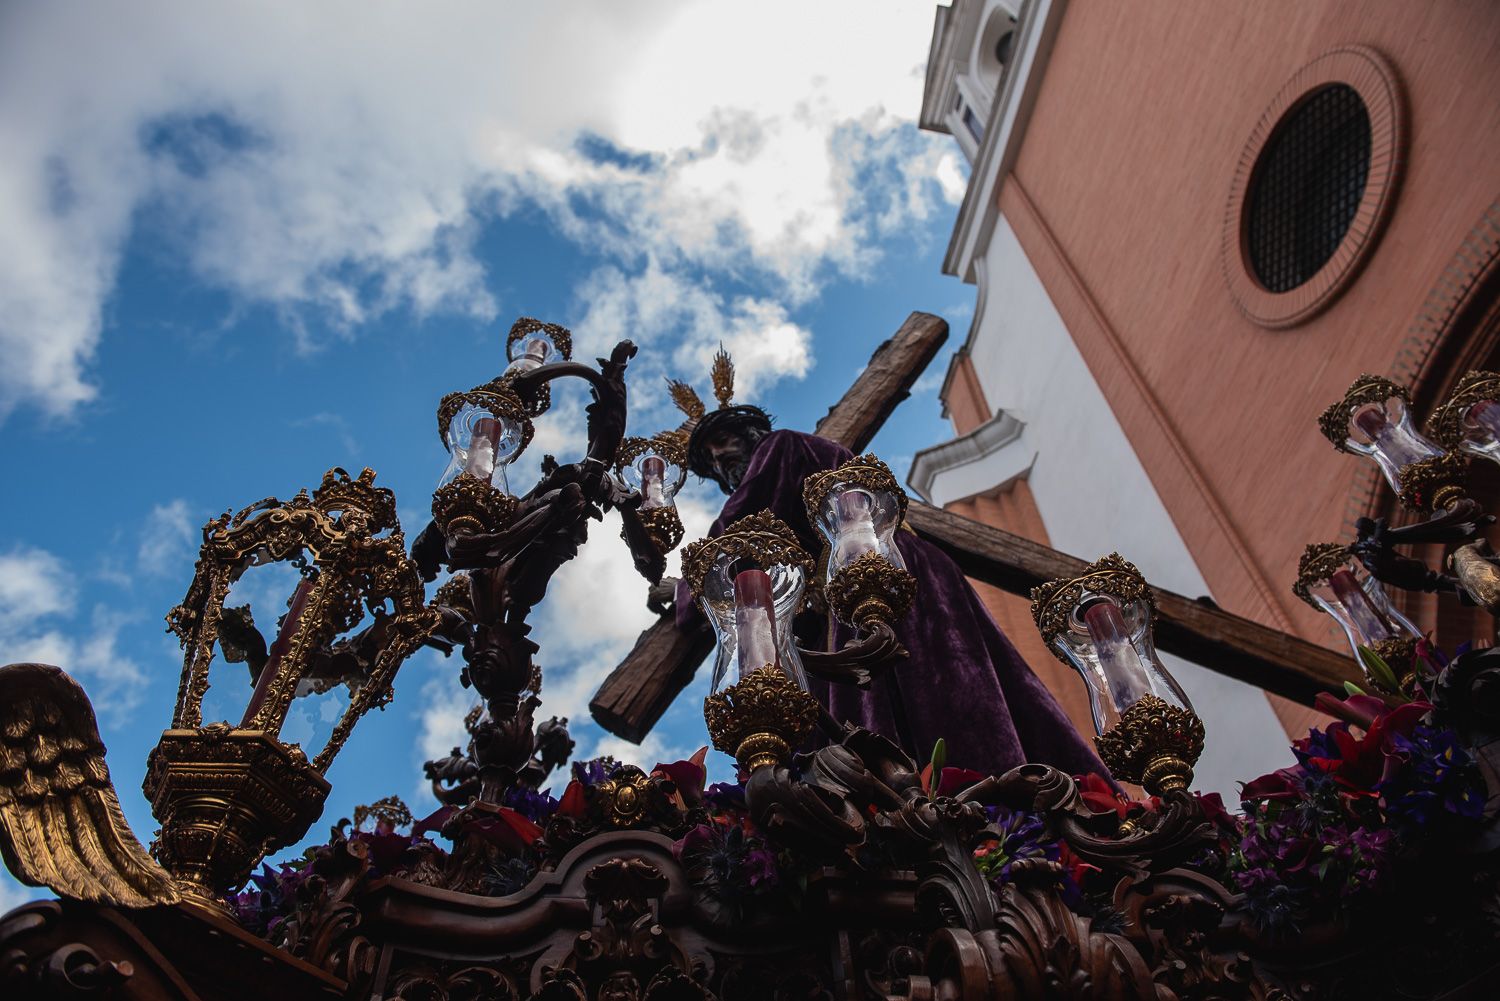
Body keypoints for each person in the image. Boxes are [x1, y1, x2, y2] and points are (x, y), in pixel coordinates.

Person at [666, 354, 1109, 780]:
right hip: (851, 586)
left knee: (938, 687)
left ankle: (963, 792)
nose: (721, 460)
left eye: (723, 444)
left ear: (751, 433)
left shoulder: (781, 446)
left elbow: (741, 525)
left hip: (878, 571)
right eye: (712, 461)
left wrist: (686, 588)